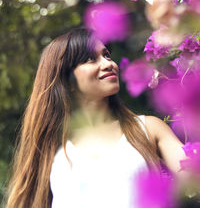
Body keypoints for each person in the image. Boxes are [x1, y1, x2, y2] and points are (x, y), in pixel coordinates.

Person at [6, 27, 186, 208]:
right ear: (67, 81)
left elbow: (192, 172)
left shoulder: (147, 128)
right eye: (90, 59)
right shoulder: (49, 146)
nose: (109, 64)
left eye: (107, 55)